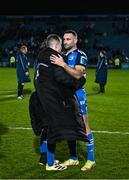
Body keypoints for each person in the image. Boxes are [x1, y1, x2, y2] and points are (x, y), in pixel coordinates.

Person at [32, 34, 89, 171]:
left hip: (37, 99)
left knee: (46, 129)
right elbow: (63, 79)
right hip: (49, 100)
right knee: (53, 130)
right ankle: (50, 164)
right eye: (61, 44)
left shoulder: (40, 57)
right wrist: (81, 81)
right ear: (56, 46)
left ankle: (44, 159)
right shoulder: (54, 58)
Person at [50, 30, 96, 171]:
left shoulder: (80, 55)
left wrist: (62, 64)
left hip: (77, 94)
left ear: (75, 41)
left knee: (83, 124)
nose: (65, 42)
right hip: (65, 95)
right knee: (70, 125)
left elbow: (78, 74)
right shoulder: (63, 55)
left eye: (68, 39)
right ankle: (74, 158)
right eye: (64, 39)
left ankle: (91, 159)